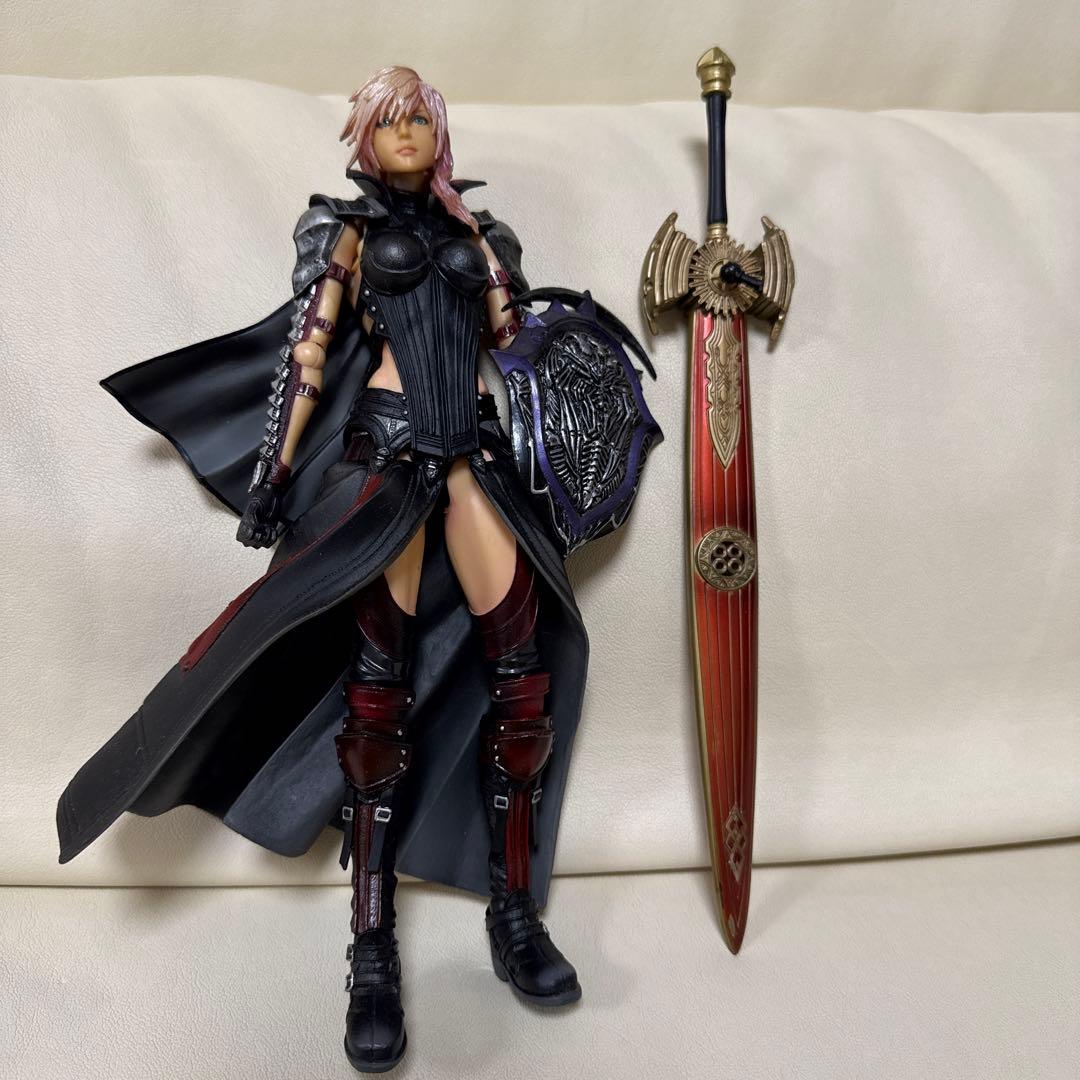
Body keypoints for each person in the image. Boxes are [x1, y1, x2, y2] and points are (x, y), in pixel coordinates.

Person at [55, 65, 660, 1074]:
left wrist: (564, 358)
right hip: (384, 451)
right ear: (365, 136)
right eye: (391, 119)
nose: (408, 131)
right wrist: (272, 472)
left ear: (440, 132)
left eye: (422, 117)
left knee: (523, 685)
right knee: (377, 701)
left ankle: (513, 914)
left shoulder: (481, 235)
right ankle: (370, 947)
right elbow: (308, 354)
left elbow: (516, 348)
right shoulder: (340, 230)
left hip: (473, 458)